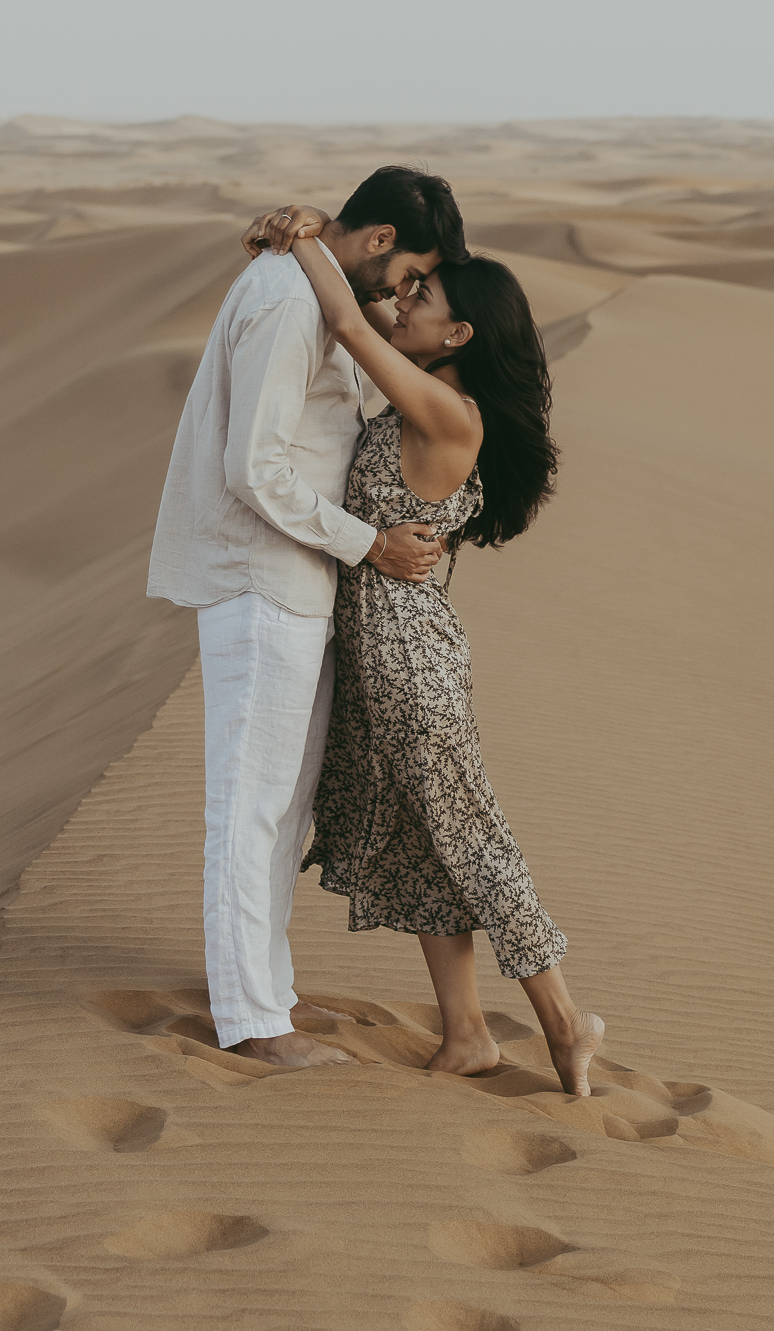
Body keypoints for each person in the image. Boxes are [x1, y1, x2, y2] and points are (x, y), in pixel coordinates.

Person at [240, 201, 605, 1100]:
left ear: (461, 332)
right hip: (379, 655)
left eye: (424, 294)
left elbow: (340, 315)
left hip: (409, 664)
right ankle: (469, 1033)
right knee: (419, 841)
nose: (403, 301)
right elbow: (360, 307)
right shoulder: (427, 382)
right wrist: (342, 235)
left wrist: (306, 244)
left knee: (468, 839)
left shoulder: (448, 410)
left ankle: (565, 1023)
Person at [148, 167, 464, 1069]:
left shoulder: (311, 285)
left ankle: (270, 992)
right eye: (409, 275)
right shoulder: (291, 302)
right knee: (250, 806)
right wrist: (369, 543)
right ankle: (251, 1024)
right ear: (376, 243)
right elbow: (256, 468)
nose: (406, 295)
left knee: (283, 806)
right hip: (262, 578)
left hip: (297, 578)